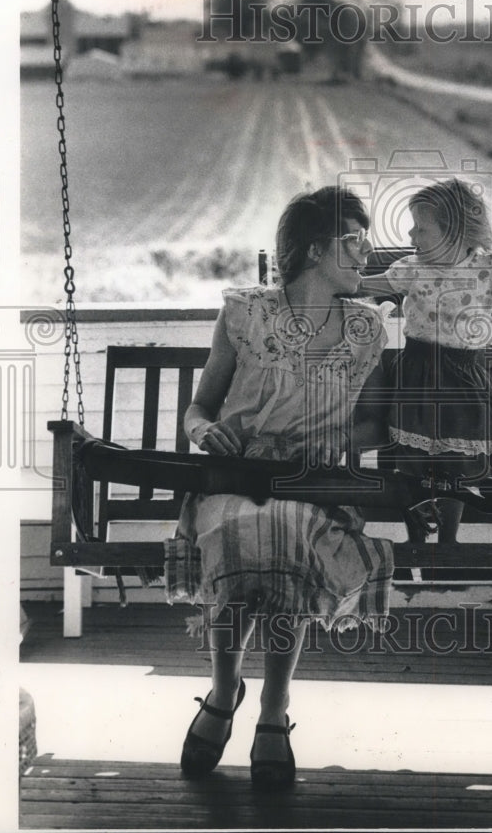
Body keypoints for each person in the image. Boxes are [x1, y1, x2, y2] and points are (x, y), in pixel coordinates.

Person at [165, 185, 391, 789]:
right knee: (249, 524)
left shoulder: (367, 330)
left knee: (289, 529)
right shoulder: (245, 314)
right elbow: (199, 408)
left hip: (312, 483)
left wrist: (329, 426)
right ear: (317, 250)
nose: (368, 251)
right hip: (233, 479)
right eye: (355, 240)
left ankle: (271, 707)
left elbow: (374, 421)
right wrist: (206, 434)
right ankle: (223, 689)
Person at [359, 177, 492, 543]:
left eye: (421, 227)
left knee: (457, 463)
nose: (410, 233)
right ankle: (418, 535)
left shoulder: (484, 271)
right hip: (418, 374)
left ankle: (448, 539)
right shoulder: (412, 269)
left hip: (465, 377)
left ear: (453, 232)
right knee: (413, 460)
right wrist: (332, 281)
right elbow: (368, 286)